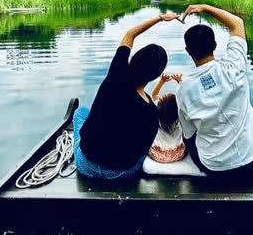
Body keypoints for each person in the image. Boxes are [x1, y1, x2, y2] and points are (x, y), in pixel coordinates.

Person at [72, 11, 181, 179]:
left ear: (134, 60)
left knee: (81, 113)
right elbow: (142, 149)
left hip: (87, 166)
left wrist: (160, 18)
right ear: (156, 75)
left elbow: (130, 35)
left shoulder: (116, 75)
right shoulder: (152, 111)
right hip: (122, 174)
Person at [176, 4, 253, 179]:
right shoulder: (234, 67)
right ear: (215, 45)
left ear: (188, 51)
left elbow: (188, 134)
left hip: (214, 171)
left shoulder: (183, 89)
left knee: (189, 137)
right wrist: (204, 7)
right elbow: (237, 24)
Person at [147, 73, 186, 163]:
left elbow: (154, 95)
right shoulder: (181, 115)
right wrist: (180, 82)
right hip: (178, 155)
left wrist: (162, 81)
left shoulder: (155, 114)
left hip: (157, 155)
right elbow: (185, 97)